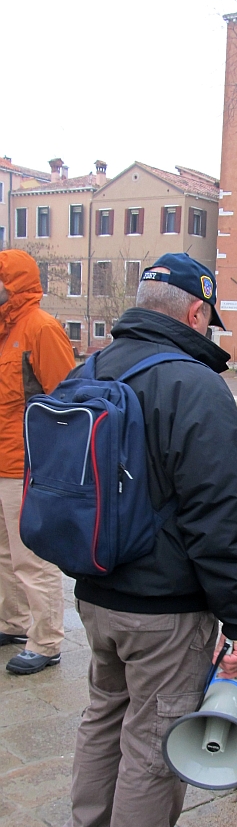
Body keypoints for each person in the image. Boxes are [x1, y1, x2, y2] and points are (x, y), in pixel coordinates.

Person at [61, 253, 237, 827]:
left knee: (104, 716)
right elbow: (219, 516)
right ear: (197, 312)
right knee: (154, 737)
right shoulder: (194, 385)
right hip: (165, 610)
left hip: (95, 591)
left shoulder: (88, 369)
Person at [0, 250, 75, 676]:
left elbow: (67, 401)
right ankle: (12, 622)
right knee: (2, 553)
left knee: (31, 556)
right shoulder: (2, 330)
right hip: (1, 463)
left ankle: (46, 641)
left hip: (26, 466)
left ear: (12, 283)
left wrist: (55, 466)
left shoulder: (41, 328)